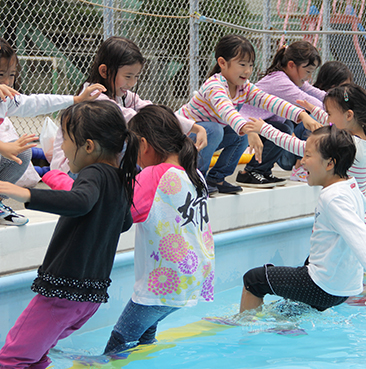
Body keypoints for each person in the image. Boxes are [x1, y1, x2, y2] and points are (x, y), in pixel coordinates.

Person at [0, 100, 139, 369]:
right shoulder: (120, 179)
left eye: (66, 140)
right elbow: (125, 222)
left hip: (63, 291)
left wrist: (25, 194)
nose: (61, 147)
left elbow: (80, 202)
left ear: (88, 146)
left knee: (10, 360)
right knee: (36, 354)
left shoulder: (94, 173)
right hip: (90, 297)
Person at [239, 126, 366, 314]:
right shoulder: (351, 187)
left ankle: (245, 329)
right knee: (290, 303)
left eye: (307, 155)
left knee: (254, 280)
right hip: (342, 285)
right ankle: (288, 324)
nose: (302, 161)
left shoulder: (334, 198)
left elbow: (361, 237)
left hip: (323, 286)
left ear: (330, 163)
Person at [104, 105, 214, 354]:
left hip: (163, 283)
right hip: (194, 275)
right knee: (143, 342)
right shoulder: (195, 173)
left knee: (117, 348)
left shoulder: (153, 175)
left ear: (143, 144)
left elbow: (121, 215)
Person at [177, 35, 321, 194]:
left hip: (204, 138)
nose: (248, 71)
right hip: (182, 138)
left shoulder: (243, 87)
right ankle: (196, 178)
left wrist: (302, 115)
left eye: (251, 65)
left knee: (238, 136)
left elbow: (270, 102)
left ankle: (216, 178)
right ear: (222, 63)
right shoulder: (214, 85)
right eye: (242, 64)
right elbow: (228, 112)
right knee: (215, 129)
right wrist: (249, 129)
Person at [50, 36, 207, 173]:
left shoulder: (123, 95)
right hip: (71, 168)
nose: (132, 83)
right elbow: (136, 118)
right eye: (128, 76)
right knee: (129, 143)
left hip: (95, 164)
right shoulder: (94, 96)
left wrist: (196, 127)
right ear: (104, 71)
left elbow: (150, 110)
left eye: (136, 76)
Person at [0, 37, 105, 226]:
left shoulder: (6, 100)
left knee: (23, 153)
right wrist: (2, 147)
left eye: (12, 74)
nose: (8, 81)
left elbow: (37, 102)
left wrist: (76, 99)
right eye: (1, 74)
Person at [247, 83, 366, 232]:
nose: (327, 117)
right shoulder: (364, 137)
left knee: (321, 254)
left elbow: (299, 146)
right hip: (363, 219)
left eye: (329, 113)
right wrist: (313, 110)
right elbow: (335, 121)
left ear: (349, 115)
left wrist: (265, 129)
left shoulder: (346, 145)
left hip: (347, 222)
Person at [237, 40, 324, 186]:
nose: (309, 77)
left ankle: (263, 171)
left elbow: (317, 94)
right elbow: (306, 99)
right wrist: (334, 116)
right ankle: (253, 171)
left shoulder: (292, 79)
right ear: (291, 65)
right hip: (243, 123)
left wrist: (341, 104)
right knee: (283, 128)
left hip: (260, 124)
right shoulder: (279, 80)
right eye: (308, 71)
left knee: (286, 124)